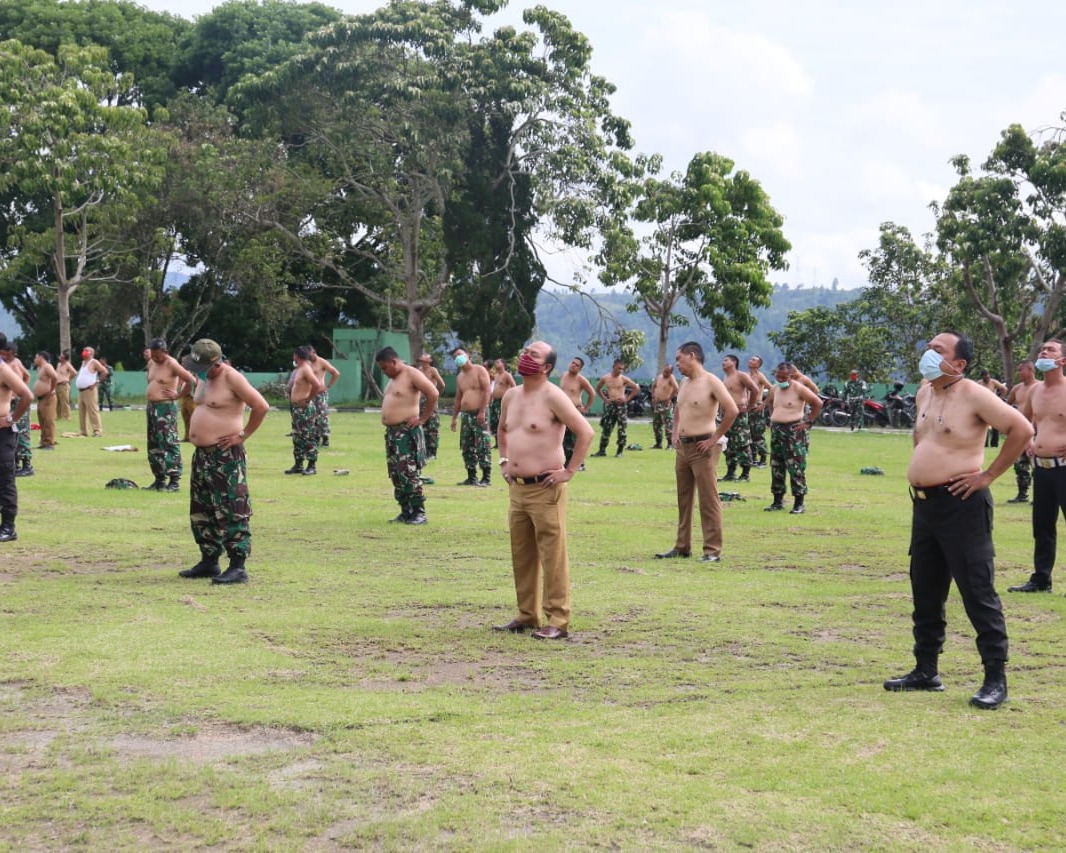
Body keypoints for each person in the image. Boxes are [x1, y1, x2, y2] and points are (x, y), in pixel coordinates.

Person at [883, 331, 1031, 711]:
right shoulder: (925, 391)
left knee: (977, 590)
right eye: (929, 348)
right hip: (925, 506)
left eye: (938, 350)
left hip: (962, 504)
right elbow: (923, 440)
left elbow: (1022, 429)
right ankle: (926, 670)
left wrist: (988, 476)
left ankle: (995, 678)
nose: (928, 354)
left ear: (959, 363)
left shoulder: (974, 394)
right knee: (926, 587)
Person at [495, 341, 593, 640]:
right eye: (524, 352)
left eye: (533, 355)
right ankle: (527, 615)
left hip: (546, 488)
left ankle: (558, 620)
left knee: (552, 555)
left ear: (546, 367)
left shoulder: (554, 396)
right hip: (518, 489)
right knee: (522, 553)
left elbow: (585, 432)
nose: (525, 357)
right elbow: (502, 429)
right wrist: (503, 460)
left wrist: (569, 471)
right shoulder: (511, 396)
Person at [179, 339, 269, 584]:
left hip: (225, 457)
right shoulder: (203, 378)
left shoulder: (232, 378)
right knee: (202, 509)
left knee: (231, 509)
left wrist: (242, 435)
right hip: (203, 456)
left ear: (215, 362)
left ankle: (238, 566)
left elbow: (261, 406)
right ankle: (209, 560)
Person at [654, 341, 738, 563]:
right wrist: (674, 432)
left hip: (704, 447)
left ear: (692, 356)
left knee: (708, 499)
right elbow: (679, 408)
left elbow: (732, 410)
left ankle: (712, 550)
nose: (677, 364)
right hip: (683, 447)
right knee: (684, 498)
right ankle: (682, 546)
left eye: (680, 359)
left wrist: (714, 439)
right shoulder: (684, 382)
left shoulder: (711, 381)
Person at [1011, 342, 1066, 593]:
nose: (1043, 352)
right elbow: (1025, 421)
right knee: (1042, 526)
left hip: (1064, 468)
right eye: (1042, 349)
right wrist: (1030, 440)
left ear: (1062, 360)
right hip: (1042, 469)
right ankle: (1041, 580)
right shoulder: (1035, 391)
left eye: (1051, 350)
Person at [375, 346, 439, 525]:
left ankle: (419, 512)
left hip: (406, 432)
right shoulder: (393, 378)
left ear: (394, 362)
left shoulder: (412, 374)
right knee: (396, 473)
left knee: (409, 473)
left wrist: (422, 419)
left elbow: (433, 393)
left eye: (385, 368)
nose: (384, 372)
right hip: (392, 434)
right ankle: (405, 511)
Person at [764, 362, 822, 514]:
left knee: (795, 466)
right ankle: (777, 501)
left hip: (793, 430)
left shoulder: (798, 388)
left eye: (783, 377)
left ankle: (799, 503)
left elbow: (818, 403)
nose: (780, 379)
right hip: (777, 430)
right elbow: (769, 401)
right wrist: (772, 417)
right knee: (776, 465)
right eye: (778, 376)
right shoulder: (775, 388)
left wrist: (808, 421)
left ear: (791, 375)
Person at [144, 338, 197, 492]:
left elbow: (190, 380)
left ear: (165, 352)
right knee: (153, 444)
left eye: (158, 355)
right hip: (152, 408)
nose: (155, 358)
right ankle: (159, 480)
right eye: (152, 354)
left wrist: (178, 395)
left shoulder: (171, 363)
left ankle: (174, 481)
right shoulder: (152, 363)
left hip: (165, 408)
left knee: (169, 442)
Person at [0, 333, 33, 542]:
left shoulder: (3, 369)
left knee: (4, 479)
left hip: (2, 433)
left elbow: (27, 395)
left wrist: (11, 418)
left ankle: (8, 527)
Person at [450, 347, 492, 486]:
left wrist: (482, 411)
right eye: (455, 356)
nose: (458, 357)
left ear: (467, 355)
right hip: (466, 416)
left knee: (482, 445)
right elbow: (457, 399)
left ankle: (486, 478)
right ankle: (471, 477)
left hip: (479, 413)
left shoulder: (479, 370)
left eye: (460, 354)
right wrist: (454, 418)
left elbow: (487, 391)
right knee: (467, 446)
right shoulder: (460, 377)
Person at [284, 346, 326, 476]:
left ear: (297, 356)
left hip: (304, 409)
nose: (293, 357)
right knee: (297, 437)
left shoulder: (306, 370)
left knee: (307, 436)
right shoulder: (300, 369)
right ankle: (298, 464)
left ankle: (312, 465)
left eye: (294, 355)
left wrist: (308, 399)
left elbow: (317, 385)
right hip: (297, 409)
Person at [719, 354, 761, 482]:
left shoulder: (741, 375)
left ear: (734, 362)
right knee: (728, 443)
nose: (723, 362)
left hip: (739, 413)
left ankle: (745, 474)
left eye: (726, 360)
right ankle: (731, 472)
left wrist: (749, 407)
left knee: (742, 443)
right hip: (726, 415)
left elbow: (754, 389)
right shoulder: (725, 378)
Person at [592, 359, 639, 457]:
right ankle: (602, 450)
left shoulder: (623, 379)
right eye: (619, 368)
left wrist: (627, 399)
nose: (620, 370)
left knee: (622, 429)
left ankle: (619, 451)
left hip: (621, 406)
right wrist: (605, 399)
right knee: (606, 428)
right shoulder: (606, 378)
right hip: (611, 405)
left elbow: (636, 388)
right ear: (613, 367)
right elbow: (598, 388)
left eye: (622, 369)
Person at [1005, 360, 1037, 503]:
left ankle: (1041, 496)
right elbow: (1006, 406)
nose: (1018, 373)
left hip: (1037, 433)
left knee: (1038, 465)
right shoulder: (1017, 389)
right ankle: (1022, 494)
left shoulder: (1040, 387)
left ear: (1030, 370)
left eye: (1021, 370)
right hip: (1020, 433)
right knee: (1020, 465)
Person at [1, 342, 33, 477]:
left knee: (22, 433)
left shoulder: (14, 364)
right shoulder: (6, 365)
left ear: (13, 353)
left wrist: (16, 392)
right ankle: (16, 462)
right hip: (13, 401)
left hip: (20, 402)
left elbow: (27, 376)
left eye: (8, 354)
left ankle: (27, 464)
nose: (5, 356)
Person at [559, 356, 595, 468]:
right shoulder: (564, 376)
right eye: (573, 363)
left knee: (575, 438)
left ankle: (580, 463)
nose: (573, 365)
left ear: (580, 369)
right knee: (564, 438)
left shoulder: (581, 380)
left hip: (575, 409)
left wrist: (586, 408)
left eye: (576, 365)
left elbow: (592, 393)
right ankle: (568, 461)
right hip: (563, 410)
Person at [416, 353, 446, 461]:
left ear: (430, 360)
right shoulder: (418, 370)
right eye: (422, 356)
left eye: (426, 356)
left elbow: (442, 384)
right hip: (420, 401)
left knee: (432, 426)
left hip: (431, 399)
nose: (423, 357)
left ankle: (432, 452)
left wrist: (436, 395)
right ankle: (423, 450)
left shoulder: (432, 370)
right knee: (421, 425)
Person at [309, 347, 340, 448]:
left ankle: (325, 437)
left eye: (310, 355)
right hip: (310, 393)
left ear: (314, 352)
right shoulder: (307, 363)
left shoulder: (322, 362)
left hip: (320, 393)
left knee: (322, 415)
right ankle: (315, 437)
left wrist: (328, 386)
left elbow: (335, 373)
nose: (309, 357)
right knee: (312, 416)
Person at [747, 356, 774, 467]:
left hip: (756, 407)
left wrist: (764, 404)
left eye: (753, 360)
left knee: (758, 434)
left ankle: (763, 459)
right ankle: (753, 458)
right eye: (750, 359)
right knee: (749, 433)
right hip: (747, 407)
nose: (750, 360)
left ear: (758, 364)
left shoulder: (760, 376)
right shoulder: (747, 376)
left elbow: (771, 388)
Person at [75, 346, 107, 437]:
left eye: (86, 350)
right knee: (82, 411)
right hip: (81, 391)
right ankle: (83, 431)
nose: (84, 352)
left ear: (91, 353)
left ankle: (97, 430)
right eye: (84, 350)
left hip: (89, 390)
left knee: (92, 410)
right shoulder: (83, 362)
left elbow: (104, 371)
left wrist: (96, 382)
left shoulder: (94, 362)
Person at [32, 351, 58, 451]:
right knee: (42, 420)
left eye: (36, 357)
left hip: (48, 397)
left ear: (41, 357)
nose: (34, 360)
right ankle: (43, 441)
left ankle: (49, 442)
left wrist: (51, 390)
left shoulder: (47, 367)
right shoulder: (40, 368)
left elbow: (55, 377)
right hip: (41, 398)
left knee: (48, 420)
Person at [650, 363, 679, 450]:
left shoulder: (671, 378)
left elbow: (676, 388)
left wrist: (669, 398)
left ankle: (670, 444)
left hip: (666, 404)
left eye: (667, 372)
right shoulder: (659, 377)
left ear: (670, 372)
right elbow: (654, 386)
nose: (665, 373)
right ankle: (658, 443)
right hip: (657, 403)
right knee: (656, 424)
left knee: (668, 424)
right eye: (664, 371)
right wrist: (653, 396)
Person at [977, 369, 1009, 447]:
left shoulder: (993, 382)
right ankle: (985, 444)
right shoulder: (979, 383)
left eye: (987, 376)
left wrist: (999, 398)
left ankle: (994, 444)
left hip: (993, 405)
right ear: (982, 377)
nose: (986, 378)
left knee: (995, 425)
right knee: (984, 426)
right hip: (983, 406)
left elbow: (1004, 389)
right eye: (985, 376)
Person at [488, 359, 516, 447]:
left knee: (503, 421)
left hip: (503, 401)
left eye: (498, 362)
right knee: (494, 422)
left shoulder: (507, 375)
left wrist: (511, 399)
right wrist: (490, 400)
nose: (496, 363)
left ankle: (507, 442)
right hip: (495, 402)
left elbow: (514, 387)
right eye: (495, 362)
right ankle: (498, 443)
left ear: (503, 364)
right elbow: (493, 388)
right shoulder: (496, 376)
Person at [178, 351, 197, 442]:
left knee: (193, 418)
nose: (183, 363)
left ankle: (195, 437)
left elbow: (195, 382)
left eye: (184, 361)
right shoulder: (181, 372)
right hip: (184, 398)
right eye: (182, 362)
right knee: (185, 417)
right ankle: (187, 437)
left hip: (192, 398)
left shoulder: (194, 372)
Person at [55, 351, 76, 421]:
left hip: (63, 385)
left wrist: (67, 379)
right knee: (57, 402)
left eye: (61, 356)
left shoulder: (67, 365)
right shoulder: (58, 364)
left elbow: (74, 372)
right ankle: (59, 416)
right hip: (57, 385)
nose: (59, 357)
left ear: (64, 358)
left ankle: (67, 417)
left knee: (64, 401)